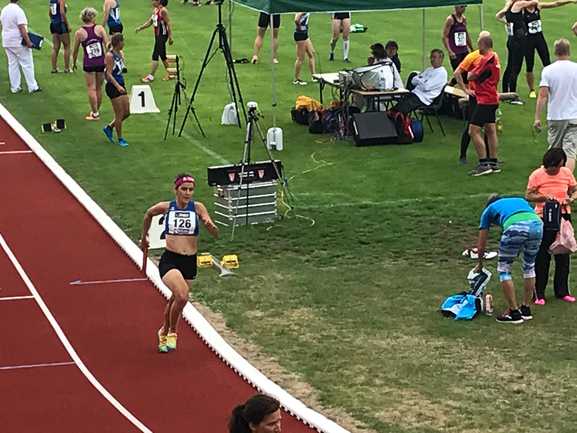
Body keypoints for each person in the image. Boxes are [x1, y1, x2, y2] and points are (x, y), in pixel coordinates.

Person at [141, 174, 219, 353]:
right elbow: (148, 214)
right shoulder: (166, 207)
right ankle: (173, 331)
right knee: (182, 296)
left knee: (175, 300)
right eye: (184, 189)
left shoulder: (198, 207)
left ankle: (163, 330)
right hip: (171, 259)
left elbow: (214, 232)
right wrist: (144, 237)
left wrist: (210, 227)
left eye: (191, 190)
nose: (188, 193)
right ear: (175, 190)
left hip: (189, 262)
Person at [476, 194, 543, 324]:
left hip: (515, 227)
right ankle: (526, 309)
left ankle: (514, 312)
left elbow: (481, 244)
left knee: (504, 270)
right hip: (537, 225)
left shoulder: (488, 210)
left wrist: (480, 264)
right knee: (529, 267)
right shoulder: (519, 200)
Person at [526, 148, 577, 304]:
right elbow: (528, 195)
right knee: (542, 255)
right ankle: (539, 294)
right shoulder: (537, 175)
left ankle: (562, 291)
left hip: (563, 216)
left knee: (563, 253)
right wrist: (544, 198)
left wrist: (571, 198)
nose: (554, 170)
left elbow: (574, 190)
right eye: (552, 167)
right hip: (544, 217)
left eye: (557, 167)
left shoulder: (566, 173)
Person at [534, 39, 577, 172]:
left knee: (554, 150)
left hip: (556, 116)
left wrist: (537, 118)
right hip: (574, 116)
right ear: (568, 51)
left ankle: (550, 179)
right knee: (570, 152)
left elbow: (543, 96)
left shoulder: (548, 70)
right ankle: (567, 180)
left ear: (555, 52)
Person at [523, 1, 577, 98]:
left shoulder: (538, 7)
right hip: (528, 41)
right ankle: (532, 90)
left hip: (539, 39)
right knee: (529, 65)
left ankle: (551, 87)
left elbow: (555, 3)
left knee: (547, 63)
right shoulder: (522, 9)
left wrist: (570, 1)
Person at [466, 34, 501, 176]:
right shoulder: (495, 57)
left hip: (484, 100)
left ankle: (483, 164)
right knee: (491, 130)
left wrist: (470, 72)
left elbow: (471, 76)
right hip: (493, 97)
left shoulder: (485, 59)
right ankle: (493, 162)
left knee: (473, 131)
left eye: (478, 44)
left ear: (483, 45)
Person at [454, 31, 491, 164]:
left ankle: (489, 157)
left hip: (488, 96)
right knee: (472, 125)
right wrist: (465, 90)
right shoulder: (473, 57)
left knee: (489, 127)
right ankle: (463, 155)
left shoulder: (492, 56)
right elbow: (457, 72)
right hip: (476, 97)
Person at [496, 0, 538, 104]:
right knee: (516, 68)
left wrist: (507, 22)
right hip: (519, 41)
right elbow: (534, 2)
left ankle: (505, 92)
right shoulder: (519, 4)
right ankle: (512, 96)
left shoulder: (509, 4)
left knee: (510, 66)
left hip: (511, 39)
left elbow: (498, 16)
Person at [72, 7, 108, 121]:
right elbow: (107, 45)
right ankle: (96, 110)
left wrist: (74, 62)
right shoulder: (100, 29)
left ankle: (95, 113)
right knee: (99, 88)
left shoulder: (79, 32)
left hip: (89, 63)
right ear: (92, 17)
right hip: (100, 61)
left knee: (91, 88)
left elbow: (75, 50)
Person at [0, 0, 40, 94]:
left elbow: (1, 25)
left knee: (12, 64)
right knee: (27, 63)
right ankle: (32, 86)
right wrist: (28, 42)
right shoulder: (18, 10)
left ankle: (15, 87)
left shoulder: (4, 9)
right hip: (17, 41)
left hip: (7, 40)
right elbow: (22, 27)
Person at [393, 49, 447, 114]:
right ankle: (394, 116)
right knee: (399, 104)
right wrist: (423, 81)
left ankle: (396, 117)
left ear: (441, 59)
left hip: (424, 99)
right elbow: (413, 81)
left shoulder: (441, 73)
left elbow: (426, 87)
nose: (432, 59)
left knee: (399, 109)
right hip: (415, 94)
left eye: (434, 57)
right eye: (431, 57)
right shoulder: (429, 69)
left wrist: (420, 80)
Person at [136, 0, 173, 83]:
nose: (152, 2)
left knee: (155, 55)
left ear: (159, 1)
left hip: (162, 36)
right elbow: (150, 22)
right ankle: (171, 74)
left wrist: (170, 37)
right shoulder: (155, 10)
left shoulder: (163, 11)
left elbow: (168, 23)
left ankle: (151, 76)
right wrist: (141, 28)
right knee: (162, 55)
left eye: (153, 0)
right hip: (157, 36)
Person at [102, 33, 129, 147]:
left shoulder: (120, 53)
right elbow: (108, 74)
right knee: (119, 114)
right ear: (118, 43)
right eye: (123, 41)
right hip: (113, 86)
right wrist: (117, 86)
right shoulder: (110, 56)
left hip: (121, 83)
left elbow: (121, 67)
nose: (124, 43)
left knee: (127, 112)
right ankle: (120, 138)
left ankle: (109, 127)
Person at [442, 5, 473, 71]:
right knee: (458, 72)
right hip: (455, 52)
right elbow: (445, 36)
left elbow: (466, 34)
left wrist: (471, 48)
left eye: (464, 7)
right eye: (461, 7)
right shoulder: (450, 19)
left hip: (464, 50)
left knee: (467, 71)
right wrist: (450, 51)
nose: (463, 9)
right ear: (456, 7)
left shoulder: (464, 19)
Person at [293, 12, 315, 86]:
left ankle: (314, 76)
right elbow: (296, 19)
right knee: (300, 58)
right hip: (300, 34)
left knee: (311, 54)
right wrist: (299, 27)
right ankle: (296, 79)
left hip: (305, 34)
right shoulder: (302, 10)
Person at [49, 0, 70, 73]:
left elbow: (50, 13)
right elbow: (62, 12)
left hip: (53, 24)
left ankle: (54, 68)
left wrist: (53, 20)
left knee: (55, 47)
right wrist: (67, 25)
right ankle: (67, 68)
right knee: (67, 46)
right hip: (61, 24)